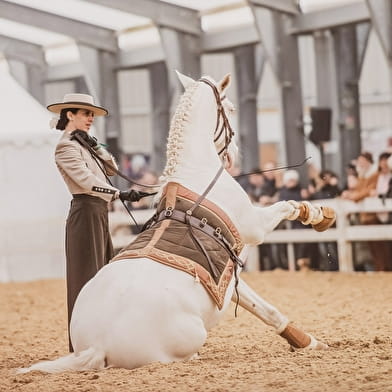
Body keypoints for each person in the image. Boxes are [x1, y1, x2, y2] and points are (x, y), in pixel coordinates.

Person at [47, 93, 144, 351]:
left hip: (99, 212)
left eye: (92, 115)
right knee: (86, 278)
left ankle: (104, 338)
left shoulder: (83, 144)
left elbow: (110, 169)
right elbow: (86, 182)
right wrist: (119, 193)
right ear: (70, 115)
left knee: (103, 274)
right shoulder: (65, 146)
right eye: (86, 114)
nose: (91, 118)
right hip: (85, 211)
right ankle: (83, 345)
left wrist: (96, 145)